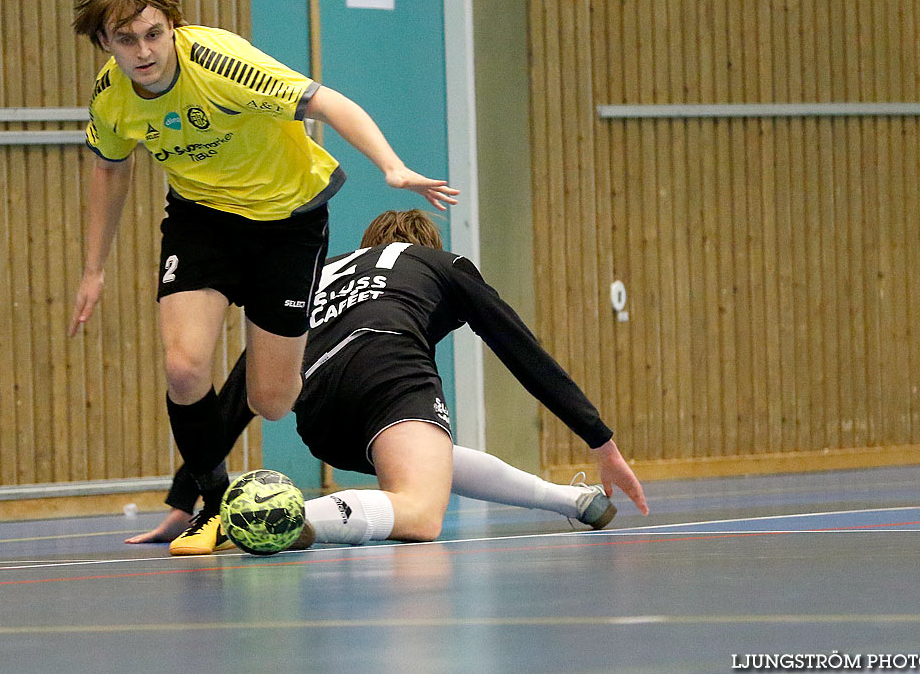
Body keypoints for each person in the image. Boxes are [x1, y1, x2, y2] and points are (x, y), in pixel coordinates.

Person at [68, 0, 457, 550]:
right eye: (125, 40)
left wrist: (393, 166)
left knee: (271, 401)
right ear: (104, 43)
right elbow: (108, 169)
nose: (143, 51)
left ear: (172, 27)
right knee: (183, 367)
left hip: (288, 221)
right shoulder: (112, 97)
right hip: (202, 220)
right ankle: (215, 503)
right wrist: (94, 268)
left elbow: (330, 104)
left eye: (153, 34)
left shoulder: (223, 65)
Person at [129, 208, 648, 553]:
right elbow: (520, 348)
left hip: (321, 414)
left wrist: (189, 496)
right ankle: (277, 516)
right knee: (420, 513)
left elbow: (238, 393)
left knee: (427, 463)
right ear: (428, 245)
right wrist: (598, 437)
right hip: (387, 370)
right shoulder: (442, 263)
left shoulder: (320, 274)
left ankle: (568, 501)